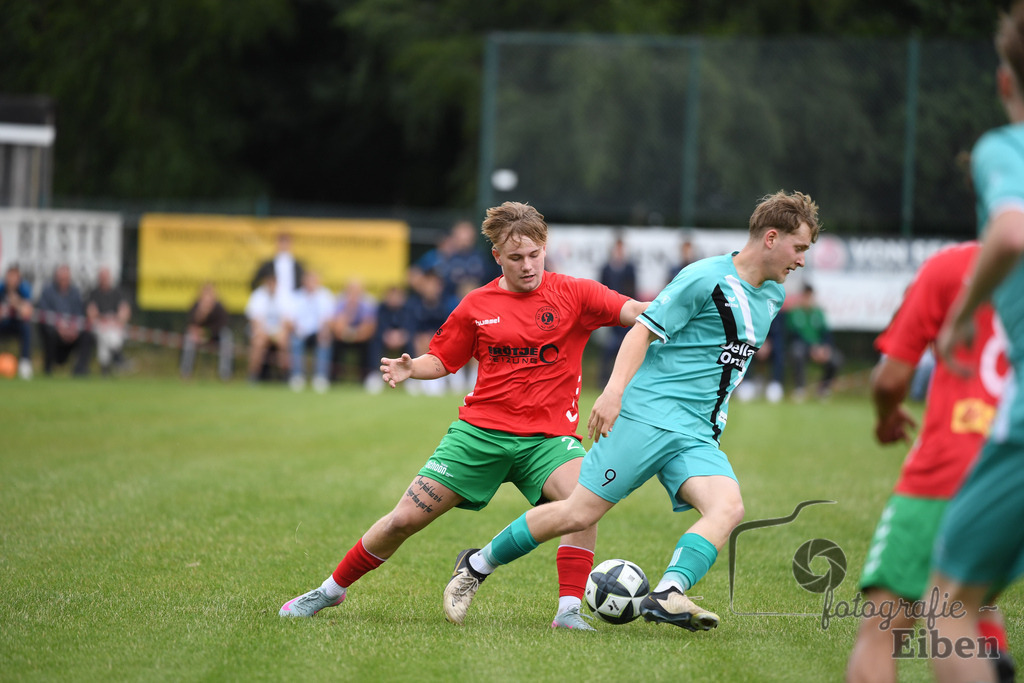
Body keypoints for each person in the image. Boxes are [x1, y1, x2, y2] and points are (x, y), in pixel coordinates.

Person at [442, 190, 819, 632]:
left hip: (697, 433)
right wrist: (614, 391)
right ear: (772, 238)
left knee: (728, 507)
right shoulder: (704, 279)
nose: (802, 260)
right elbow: (642, 331)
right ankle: (477, 565)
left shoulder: (772, 295)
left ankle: (669, 593)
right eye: (800, 248)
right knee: (579, 512)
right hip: (648, 418)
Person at [279, 201, 648, 630]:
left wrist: (677, 310)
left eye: (534, 255)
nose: (527, 266)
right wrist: (411, 367)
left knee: (584, 502)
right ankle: (330, 590)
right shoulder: (477, 304)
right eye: (515, 258)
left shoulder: (576, 293)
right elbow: (443, 359)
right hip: (479, 435)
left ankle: (567, 612)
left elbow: (636, 313)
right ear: (496, 257)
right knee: (402, 520)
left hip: (547, 440)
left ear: (545, 248)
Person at [846, 242, 1013, 683]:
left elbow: (892, 377)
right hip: (1013, 466)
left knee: (884, 624)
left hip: (952, 463)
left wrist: (886, 419)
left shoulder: (951, 268)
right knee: (965, 599)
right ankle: (991, 647)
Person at [930, 4, 1024, 679]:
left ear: (1004, 81)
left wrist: (963, 313)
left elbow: (1012, 231)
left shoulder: (1005, 147)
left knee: (948, 602)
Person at [786, 283, 841, 400]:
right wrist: (812, 348)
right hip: (804, 347)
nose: (807, 299)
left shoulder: (818, 312)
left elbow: (826, 334)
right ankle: (800, 388)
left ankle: (823, 389)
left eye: (809, 296)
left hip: (820, 348)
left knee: (836, 359)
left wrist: (825, 348)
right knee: (797, 352)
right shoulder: (795, 312)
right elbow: (793, 335)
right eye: (805, 296)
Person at [36, 264, 93, 377]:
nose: (64, 281)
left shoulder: (75, 292)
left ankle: (80, 369)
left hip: (72, 332)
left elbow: (79, 314)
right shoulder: (47, 292)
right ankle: (48, 369)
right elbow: (44, 314)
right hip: (55, 332)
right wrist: (59, 328)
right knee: (47, 332)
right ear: (56, 278)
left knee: (87, 334)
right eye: (61, 279)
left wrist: (74, 329)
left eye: (66, 279)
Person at [598, 237, 638, 386]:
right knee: (607, 350)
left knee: (626, 349)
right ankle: (603, 381)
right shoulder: (606, 268)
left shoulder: (630, 268)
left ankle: (626, 381)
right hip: (609, 315)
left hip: (625, 313)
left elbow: (633, 289)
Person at [288, 271, 335, 393]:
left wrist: (324, 331)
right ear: (304, 282)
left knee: (324, 340)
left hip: (318, 332)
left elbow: (329, 319)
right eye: (309, 281)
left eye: (314, 281)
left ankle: (320, 377)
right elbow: (290, 319)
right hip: (300, 332)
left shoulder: (326, 296)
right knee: (295, 341)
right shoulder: (296, 297)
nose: (311, 284)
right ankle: (297, 376)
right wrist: (296, 329)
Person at [179, 282, 234, 381]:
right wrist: (201, 313)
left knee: (227, 336)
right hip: (198, 336)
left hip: (215, 337)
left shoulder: (219, 308)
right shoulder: (195, 306)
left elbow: (222, 325)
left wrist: (206, 332)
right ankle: (186, 373)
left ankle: (225, 374)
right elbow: (191, 323)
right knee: (189, 338)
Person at [330, 280, 378, 384]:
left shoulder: (368, 304)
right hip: (342, 338)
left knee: (371, 344)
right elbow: (337, 327)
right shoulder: (340, 303)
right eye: (351, 291)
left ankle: (367, 377)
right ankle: (333, 377)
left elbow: (368, 328)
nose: (353, 294)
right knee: (333, 343)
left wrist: (353, 334)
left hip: (360, 338)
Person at [86, 266, 132, 375]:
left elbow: (124, 310)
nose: (104, 280)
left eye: (106, 278)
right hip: (99, 324)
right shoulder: (94, 293)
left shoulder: (117, 293)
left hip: (114, 325)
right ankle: (118, 357)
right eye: (102, 278)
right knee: (105, 334)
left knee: (110, 337)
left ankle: (106, 368)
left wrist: (117, 320)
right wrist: (103, 319)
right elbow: (91, 312)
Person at [245, 273, 291, 382]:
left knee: (283, 341)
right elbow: (255, 320)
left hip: (278, 332)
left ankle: (284, 375)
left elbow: (287, 320)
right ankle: (253, 375)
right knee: (258, 343)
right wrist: (263, 332)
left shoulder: (284, 296)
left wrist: (278, 332)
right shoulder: (258, 295)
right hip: (262, 331)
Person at [251, 232, 304, 311]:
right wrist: (265, 293)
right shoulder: (268, 265)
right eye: (281, 242)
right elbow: (254, 282)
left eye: (286, 242)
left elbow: (302, 284)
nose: (284, 245)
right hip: (272, 301)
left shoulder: (298, 266)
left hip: (293, 300)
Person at [0, 264, 34, 379]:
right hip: (3, 323)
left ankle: (24, 362)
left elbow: (27, 312)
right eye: (10, 276)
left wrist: (17, 304)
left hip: (17, 324)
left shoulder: (24, 289)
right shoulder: (1, 288)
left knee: (26, 327)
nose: (12, 279)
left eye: (15, 276)